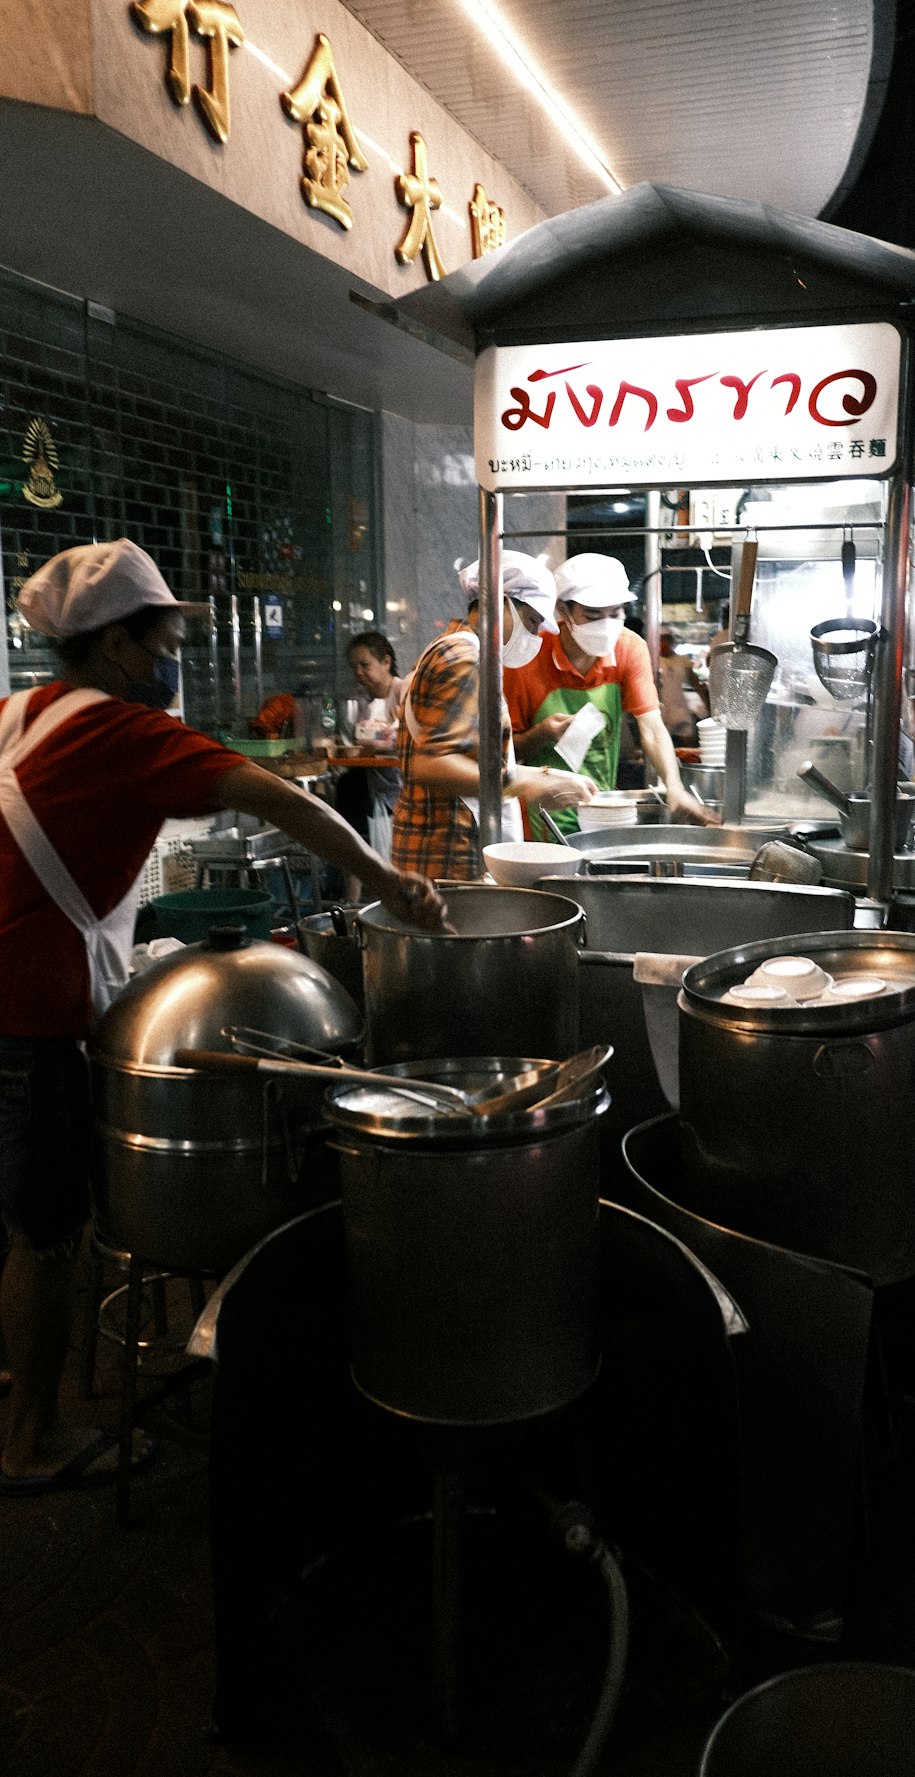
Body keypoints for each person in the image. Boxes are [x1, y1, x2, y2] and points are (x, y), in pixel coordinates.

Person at [0, 538, 446, 1495]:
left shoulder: (19, 714)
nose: (175, 661)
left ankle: (14, 1387)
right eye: (165, 640)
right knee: (44, 1234)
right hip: (25, 1015)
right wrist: (389, 881)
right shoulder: (126, 731)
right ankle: (28, 1439)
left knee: (8, 1222)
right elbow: (279, 798)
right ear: (118, 647)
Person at [391, 551, 597, 881]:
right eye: (531, 622)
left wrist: (542, 777)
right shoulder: (463, 655)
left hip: (443, 848)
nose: (532, 637)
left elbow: (466, 754)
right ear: (500, 602)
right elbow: (431, 764)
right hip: (445, 855)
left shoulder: (457, 649)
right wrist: (532, 782)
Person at [504, 552, 718, 838]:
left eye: (615, 613)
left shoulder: (629, 648)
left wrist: (674, 786)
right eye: (592, 615)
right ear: (562, 612)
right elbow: (504, 756)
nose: (605, 625)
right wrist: (540, 734)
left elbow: (651, 726)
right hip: (535, 816)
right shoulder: (527, 656)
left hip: (598, 807)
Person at [332, 630, 405, 896]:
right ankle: (351, 897)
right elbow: (352, 736)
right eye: (354, 667)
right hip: (368, 779)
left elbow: (410, 734)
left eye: (365, 664)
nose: (359, 672)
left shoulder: (403, 691)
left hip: (400, 783)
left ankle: (396, 894)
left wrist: (384, 741)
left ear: (386, 662)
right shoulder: (359, 699)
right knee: (347, 789)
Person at [658, 628, 708, 746]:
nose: (664, 644)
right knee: (662, 745)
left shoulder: (682, 659)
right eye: (661, 640)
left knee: (688, 744)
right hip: (660, 710)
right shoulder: (653, 660)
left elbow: (695, 683)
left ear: (672, 641)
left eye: (666, 640)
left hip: (680, 709)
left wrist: (705, 703)